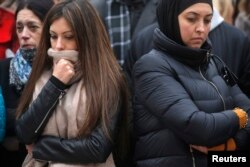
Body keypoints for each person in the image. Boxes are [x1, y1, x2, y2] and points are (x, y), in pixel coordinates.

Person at [132, 0, 250, 166]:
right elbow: (198, 127)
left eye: (208, 20)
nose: (201, 28)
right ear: (171, 19)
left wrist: (229, 145)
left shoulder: (214, 63)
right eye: (192, 19)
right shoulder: (151, 66)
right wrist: (240, 116)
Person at [15, 0, 130, 166]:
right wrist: (55, 84)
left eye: (68, 37)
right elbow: (24, 133)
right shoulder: (42, 74)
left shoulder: (108, 78)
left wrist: (40, 148)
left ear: (87, 38)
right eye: (53, 37)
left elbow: (98, 147)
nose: (59, 46)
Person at [0, 0, 54, 166]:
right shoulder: (2, 70)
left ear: (49, 30)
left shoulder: (62, 73)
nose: (24, 34)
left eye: (33, 27)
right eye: (19, 27)